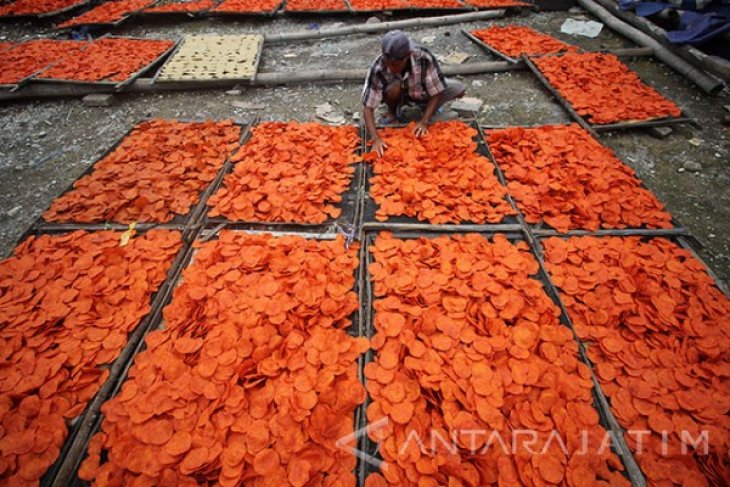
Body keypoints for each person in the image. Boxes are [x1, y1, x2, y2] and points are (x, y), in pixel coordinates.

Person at [361, 29, 465, 156]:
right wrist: (376, 139)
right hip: (398, 93)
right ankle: (393, 112)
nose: (390, 68)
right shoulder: (378, 67)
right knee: (394, 87)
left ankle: (429, 108)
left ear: (407, 55)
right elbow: (368, 108)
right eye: (388, 63)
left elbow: (437, 90)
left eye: (395, 65)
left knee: (458, 89)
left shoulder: (423, 57)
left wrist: (424, 121)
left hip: (421, 90)